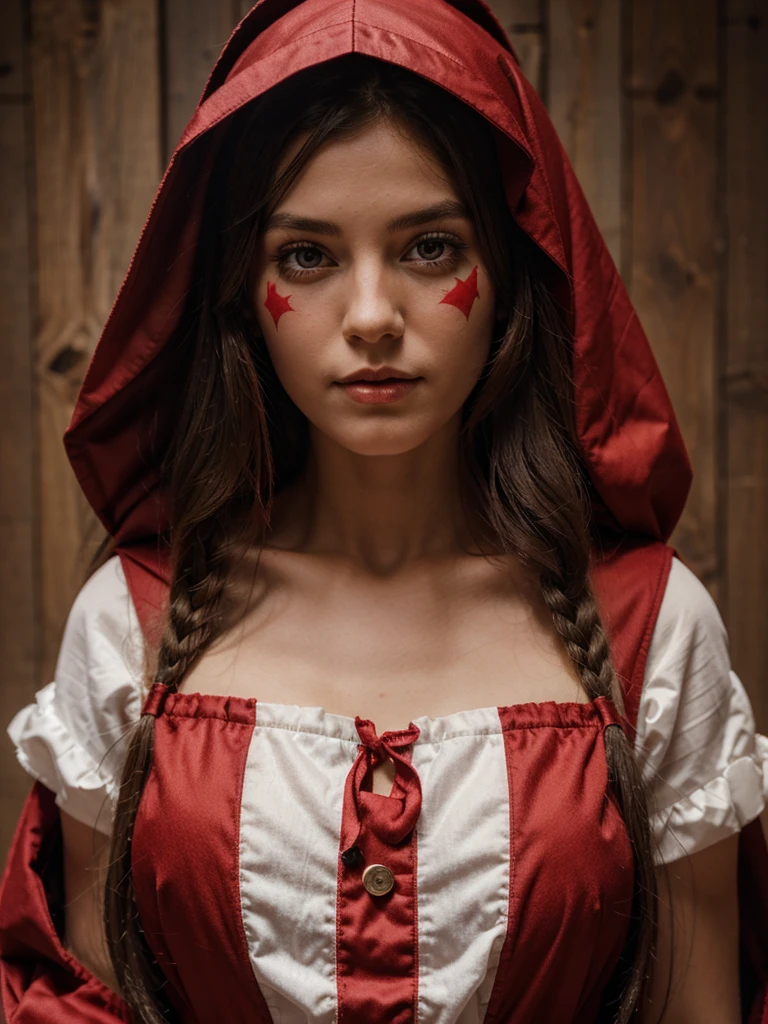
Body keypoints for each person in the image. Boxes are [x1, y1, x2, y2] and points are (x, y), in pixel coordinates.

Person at [1, 1, 767, 1022]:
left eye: (430, 248)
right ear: (242, 293)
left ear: (509, 274)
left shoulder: (651, 633)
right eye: (307, 257)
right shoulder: (130, 627)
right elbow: (78, 1004)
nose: (370, 316)